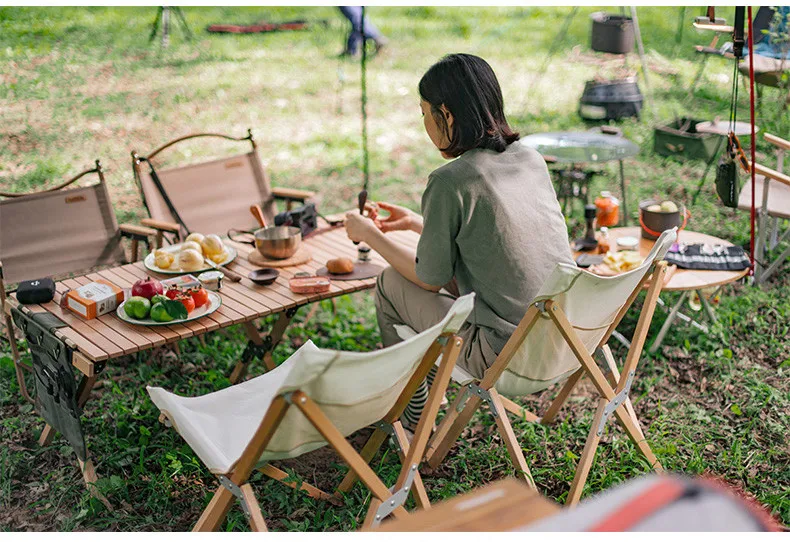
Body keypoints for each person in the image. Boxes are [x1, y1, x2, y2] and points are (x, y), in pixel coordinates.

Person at [344, 53, 574, 432]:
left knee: (388, 284)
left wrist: (370, 234)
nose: (424, 124)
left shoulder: (450, 181)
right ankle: (421, 399)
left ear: (446, 115)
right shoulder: (531, 159)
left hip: (503, 358)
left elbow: (429, 279)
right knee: (446, 285)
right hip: (564, 343)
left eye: (424, 113)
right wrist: (419, 224)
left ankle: (413, 416)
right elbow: (495, 240)